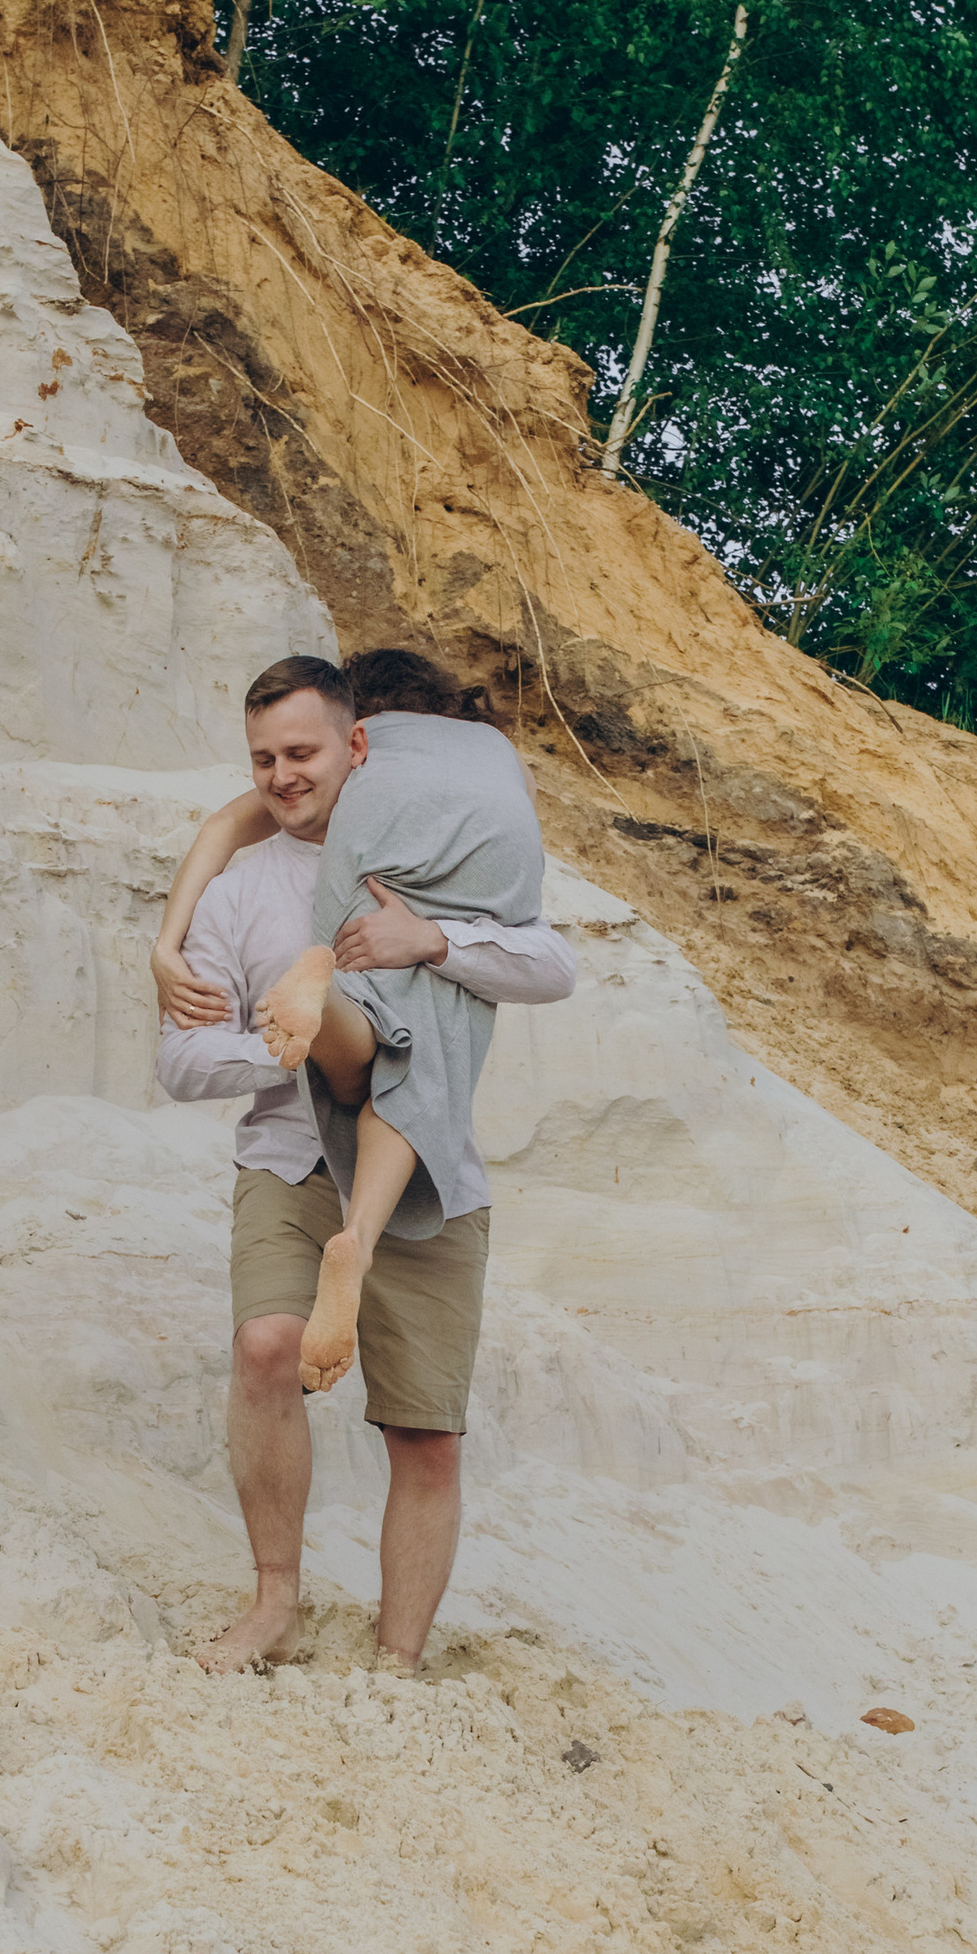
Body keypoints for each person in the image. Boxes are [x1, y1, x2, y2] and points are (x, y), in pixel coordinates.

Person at [153, 652, 576, 1674]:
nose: (280, 776)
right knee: (264, 1349)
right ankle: (274, 1602)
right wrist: (273, 1048)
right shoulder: (240, 889)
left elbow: (552, 962)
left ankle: (397, 1656)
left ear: (358, 748)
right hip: (292, 1160)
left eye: (300, 752)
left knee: (425, 1435)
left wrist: (428, 939)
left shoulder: (437, 872)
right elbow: (175, 1056)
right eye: (261, 760)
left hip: (431, 1173)